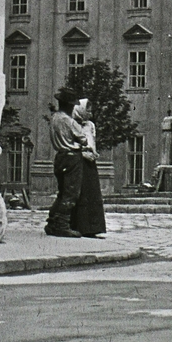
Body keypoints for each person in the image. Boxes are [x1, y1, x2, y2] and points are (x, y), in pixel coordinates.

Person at [45, 87, 87, 238]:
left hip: (60, 156)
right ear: (70, 105)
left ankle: (51, 223)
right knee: (71, 194)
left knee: (61, 193)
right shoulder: (70, 121)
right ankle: (62, 225)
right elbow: (83, 139)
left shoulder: (54, 118)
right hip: (72, 157)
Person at [69, 97, 106, 238]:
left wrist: (93, 152)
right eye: (88, 110)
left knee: (93, 194)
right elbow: (71, 144)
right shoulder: (72, 124)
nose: (90, 113)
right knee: (81, 194)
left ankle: (93, 228)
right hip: (79, 162)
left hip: (90, 163)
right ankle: (80, 226)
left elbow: (92, 141)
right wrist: (83, 153)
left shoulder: (90, 125)